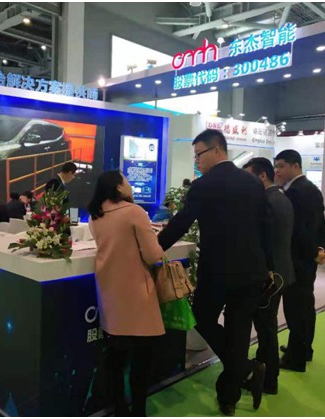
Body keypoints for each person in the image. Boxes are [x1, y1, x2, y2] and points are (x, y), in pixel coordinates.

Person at [158, 129, 273, 416]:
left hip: (218, 271)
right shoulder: (253, 182)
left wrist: (153, 248)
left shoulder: (204, 185)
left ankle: (243, 371)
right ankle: (230, 394)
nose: (196, 161)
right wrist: (268, 266)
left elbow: (181, 223)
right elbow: (265, 227)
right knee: (239, 332)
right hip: (251, 271)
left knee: (202, 318)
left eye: (199, 154)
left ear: (217, 150)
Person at [87, 170, 164, 417]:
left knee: (116, 362)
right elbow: (153, 255)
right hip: (138, 296)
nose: (130, 185)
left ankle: (120, 410)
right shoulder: (134, 212)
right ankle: (138, 412)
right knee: (141, 365)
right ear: (119, 188)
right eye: (127, 181)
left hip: (110, 296)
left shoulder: (95, 216)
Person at [243, 157, 295, 394]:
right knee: (267, 326)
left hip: (270, 276)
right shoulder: (282, 198)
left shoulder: (267, 201)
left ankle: (268, 379)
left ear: (262, 176)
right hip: (282, 272)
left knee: (266, 328)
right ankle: (266, 375)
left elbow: (263, 243)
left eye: (249, 176)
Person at [274, 150, 325, 372]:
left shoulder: (297, 191)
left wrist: (313, 251)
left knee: (296, 307)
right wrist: (320, 249)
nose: (277, 171)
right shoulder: (307, 189)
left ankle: (295, 358)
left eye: (281, 166)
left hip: (297, 258)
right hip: (306, 257)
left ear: (296, 166)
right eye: (276, 166)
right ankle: (303, 349)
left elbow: (299, 229)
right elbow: (321, 224)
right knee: (304, 305)